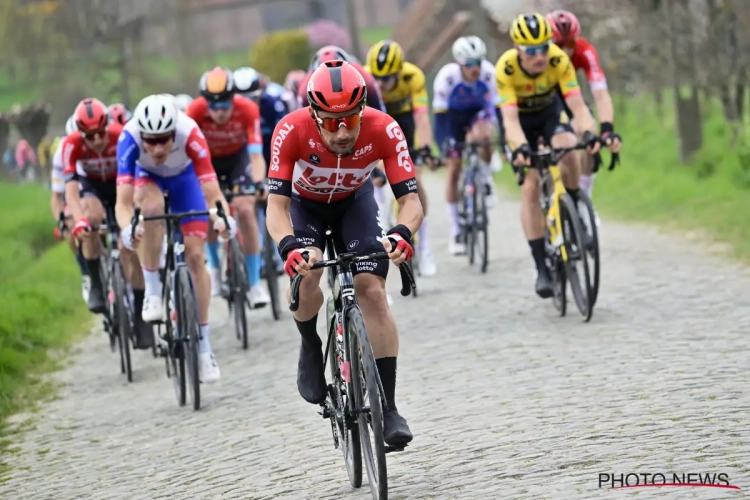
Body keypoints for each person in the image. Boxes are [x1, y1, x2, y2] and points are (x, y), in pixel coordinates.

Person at [266, 61, 422, 446]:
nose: (341, 131)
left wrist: (402, 233)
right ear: (315, 114)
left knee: (372, 291)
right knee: (309, 275)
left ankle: (388, 408)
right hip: (306, 208)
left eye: (350, 120)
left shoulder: (384, 128)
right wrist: (289, 247)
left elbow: (411, 202)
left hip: (355, 204)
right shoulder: (290, 129)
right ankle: (310, 343)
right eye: (331, 121)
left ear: (363, 110)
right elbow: (276, 207)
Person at [116, 93, 234, 381]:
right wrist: (127, 228)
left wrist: (223, 218)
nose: (157, 147)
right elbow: (123, 202)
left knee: (195, 257)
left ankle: (204, 348)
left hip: (185, 180)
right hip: (148, 180)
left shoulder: (191, 133)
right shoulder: (128, 138)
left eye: (164, 139)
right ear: (141, 135)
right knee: (151, 209)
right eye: (150, 140)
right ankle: (153, 292)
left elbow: (212, 192)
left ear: (174, 132)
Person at [496, 13, 600, 298]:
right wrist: (519, 147)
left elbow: (577, 107)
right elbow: (510, 121)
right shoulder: (505, 68)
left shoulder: (558, 59)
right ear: (518, 49)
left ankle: (577, 200)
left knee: (568, 149)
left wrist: (589, 132)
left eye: (543, 47)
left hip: (548, 113)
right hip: (520, 123)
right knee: (531, 186)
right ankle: (541, 266)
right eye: (531, 51)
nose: (539, 56)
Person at [62, 98, 153, 348]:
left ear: (107, 126)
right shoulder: (70, 145)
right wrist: (79, 220)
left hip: (120, 184)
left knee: (130, 245)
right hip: (92, 186)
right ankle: (97, 286)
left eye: (100, 133)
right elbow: (70, 191)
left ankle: (139, 312)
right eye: (89, 137)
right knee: (90, 220)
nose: (97, 141)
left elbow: (139, 174)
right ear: (80, 133)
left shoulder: (121, 134)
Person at [185, 67, 270, 307]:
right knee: (209, 212)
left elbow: (255, 155)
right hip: (207, 163)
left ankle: (254, 284)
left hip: (237, 160)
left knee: (245, 209)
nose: (219, 112)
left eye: (224, 105)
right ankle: (214, 266)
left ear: (234, 99)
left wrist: (258, 183)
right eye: (213, 106)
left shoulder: (247, 109)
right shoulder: (194, 111)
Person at [365, 40, 437, 276]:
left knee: (414, 181)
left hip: (404, 122)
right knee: (378, 177)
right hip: (377, 125)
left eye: (387, 78)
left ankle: (424, 246)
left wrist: (424, 148)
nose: (381, 83)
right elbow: (364, 127)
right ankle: (382, 220)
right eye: (377, 78)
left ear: (398, 72)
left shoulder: (412, 77)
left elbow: (422, 118)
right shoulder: (367, 82)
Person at [433, 35, 503, 255]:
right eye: (469, 64)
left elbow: (500, 111)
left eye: (478, 63)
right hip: (452, 118)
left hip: (478, 113)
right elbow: (440, 119)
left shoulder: (490, 74)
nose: (475, 69)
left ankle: (485, 176)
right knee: (453, 169)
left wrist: (503, 140)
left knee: (484, 135)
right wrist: (445, 145)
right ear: (460, 64)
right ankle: (456, 229)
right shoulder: (447, 78)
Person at [546, 10, 622, 202]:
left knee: (588, 134)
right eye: (558, 45)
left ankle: (584, 198)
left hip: (571, 98)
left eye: (570, 43)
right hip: (544, 101)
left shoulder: (585, 51)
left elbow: (601, 94)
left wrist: (607, 129)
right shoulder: (541, 57)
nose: (565, 51)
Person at [234, 66, 287, 272]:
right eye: (243, 99)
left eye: (253, 98)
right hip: (247, 161)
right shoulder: (234, 113)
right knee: (249, 203)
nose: (249, 104)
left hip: (272, 156)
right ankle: (259, 253)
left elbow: (285, 141)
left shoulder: (273, 105)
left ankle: (278, 251)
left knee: (277, 200)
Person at [51, 114, 89, 302]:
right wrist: (61, 220)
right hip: (73, 196)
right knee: (69, 229)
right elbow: (57, 195)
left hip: (94, 191)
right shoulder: (61, 153)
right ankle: (85, 272)